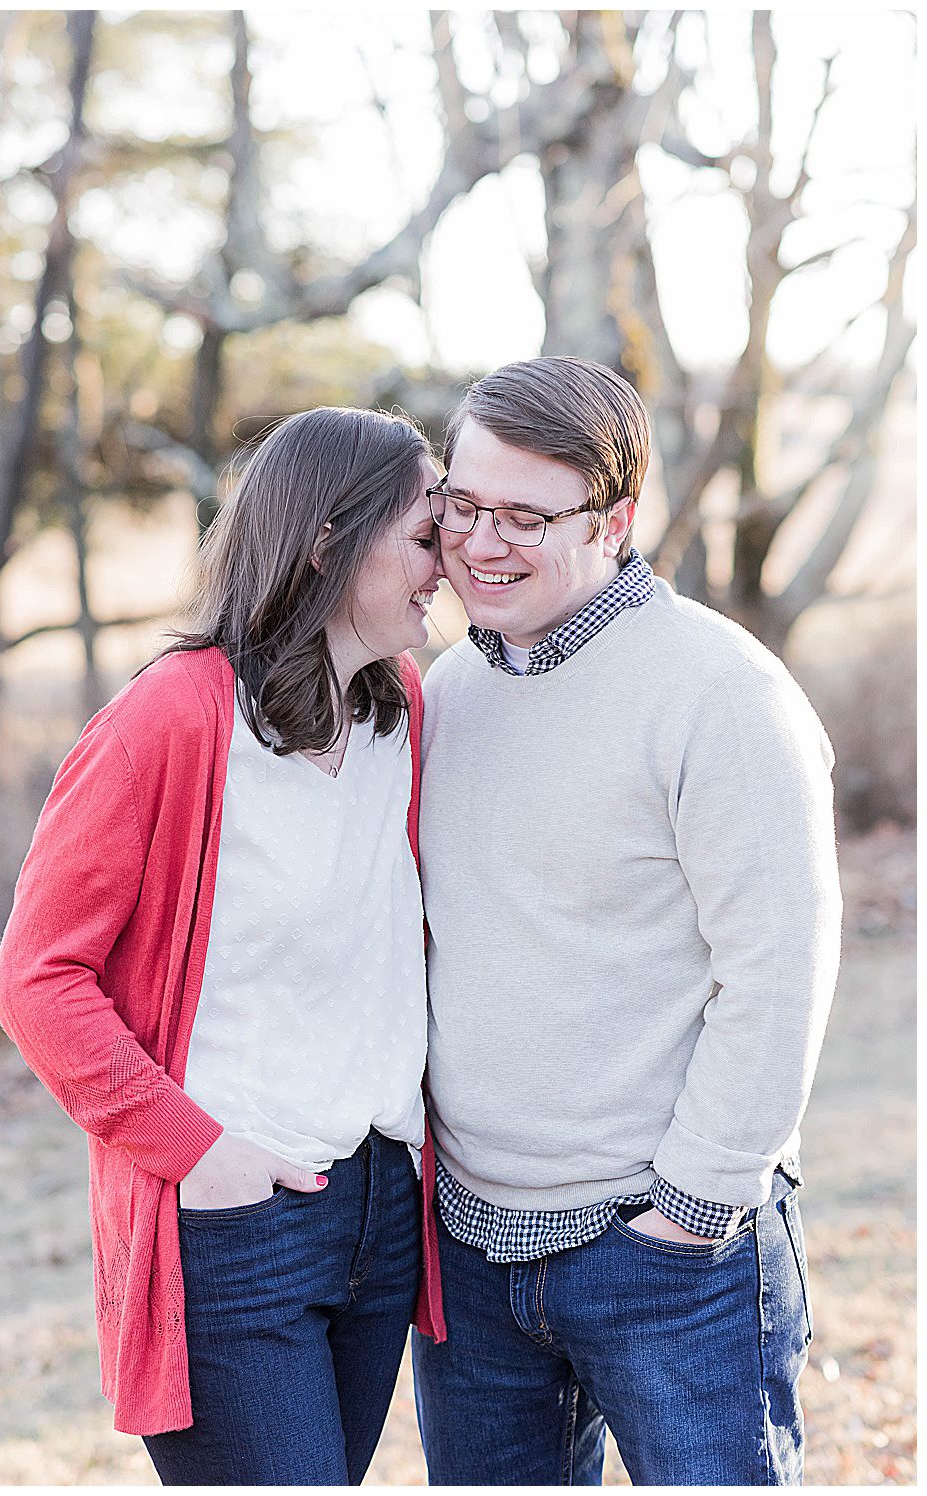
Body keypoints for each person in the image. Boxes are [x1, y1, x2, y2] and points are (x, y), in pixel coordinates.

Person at [0, 407, 451, 1485]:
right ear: (326, 540)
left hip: (383, 1208)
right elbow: (35, 977)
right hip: (237, 1219)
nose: (451, 562)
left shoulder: (402, 714)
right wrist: (195, 1151)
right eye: (427, 535)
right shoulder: (171, 720)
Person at [411, 356, 841, 1485]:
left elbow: (777, 968)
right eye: (460, 504)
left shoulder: (718, 693)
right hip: (466, 1250)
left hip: (662, 1250)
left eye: (522, 515)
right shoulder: (441, 694)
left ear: (613, 520)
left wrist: (693, 1208)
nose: (479, 542)